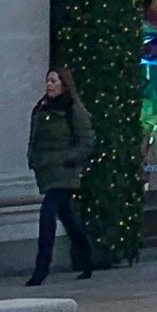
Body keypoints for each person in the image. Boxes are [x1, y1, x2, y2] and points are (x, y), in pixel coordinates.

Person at [25, 65, 100, 287]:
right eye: (48, 80)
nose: (49, 85)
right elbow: (35, 137)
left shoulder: (72, 108)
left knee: (47, 215)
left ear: (64, 84)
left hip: (64, 172)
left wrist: (70, 159)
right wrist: (33, 159)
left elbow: (86, 140)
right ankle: (87, 257)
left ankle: (41, 269)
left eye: (54, 81)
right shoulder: (41, 107)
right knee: (68, 217)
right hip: (47, 171)